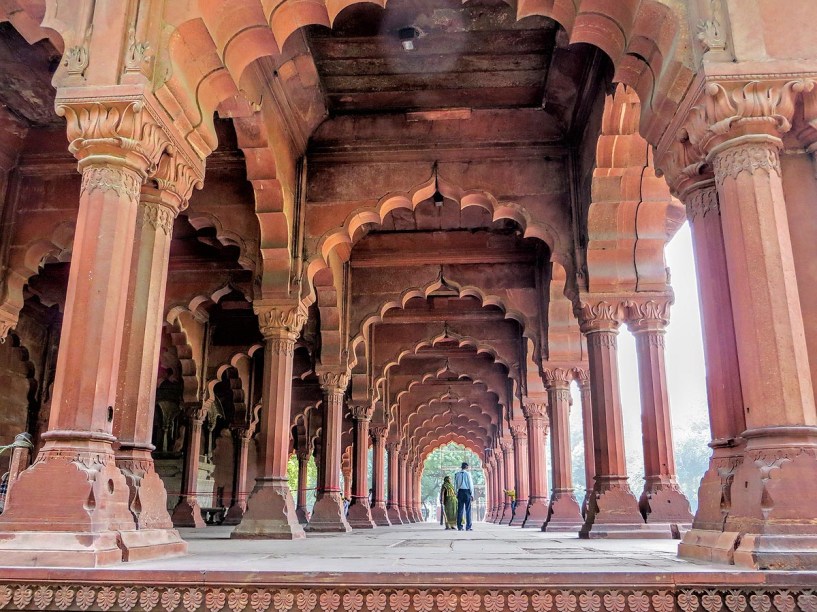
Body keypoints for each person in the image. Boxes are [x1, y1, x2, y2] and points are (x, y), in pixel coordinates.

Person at [454, 461, 474, 531]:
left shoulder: (457, 474)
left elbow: (455, 485)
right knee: (468, 510)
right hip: (467, 492)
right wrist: (472, 494)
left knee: (460, 510)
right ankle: (468, 527)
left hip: (460, 492)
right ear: (466, 467)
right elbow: (470, 485)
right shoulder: (468, 474)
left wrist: (456, 493)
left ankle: (459, 526)